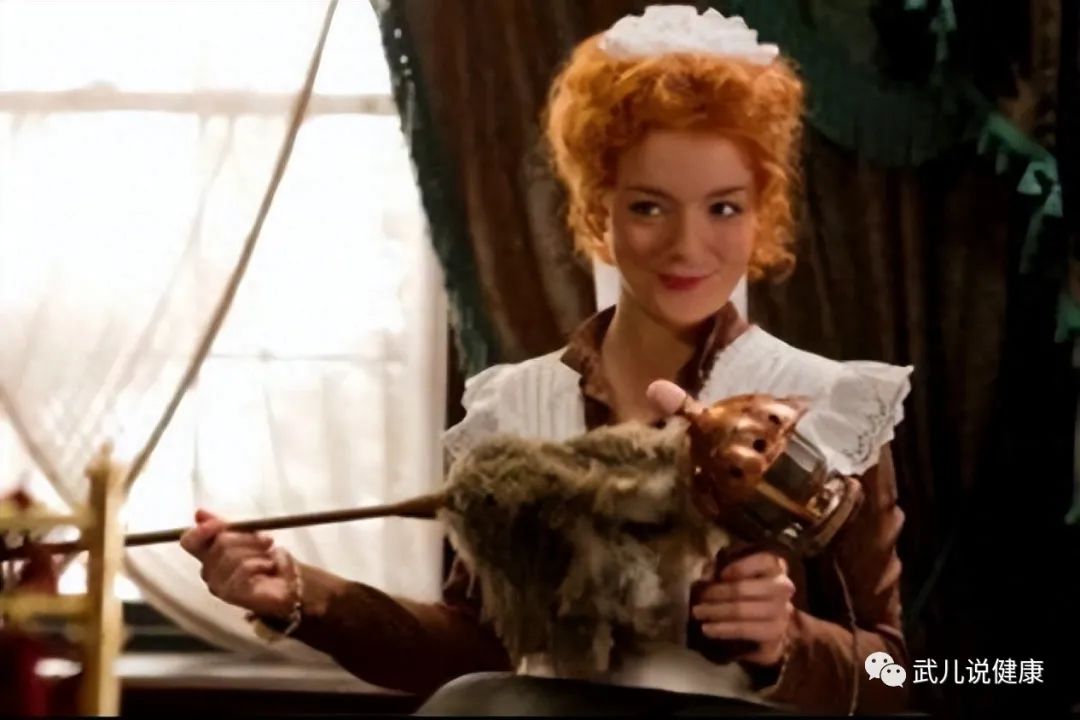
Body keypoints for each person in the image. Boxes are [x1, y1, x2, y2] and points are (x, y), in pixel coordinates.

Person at [180, 6, 912, 715]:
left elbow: (895, 674)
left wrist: (787, 643)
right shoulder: (516, 407)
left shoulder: (825, 406)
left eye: (723, 207)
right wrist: (303, 595)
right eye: (649, 206)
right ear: (598, 207)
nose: (688, 246)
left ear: (762, 214)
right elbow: (476, 648)